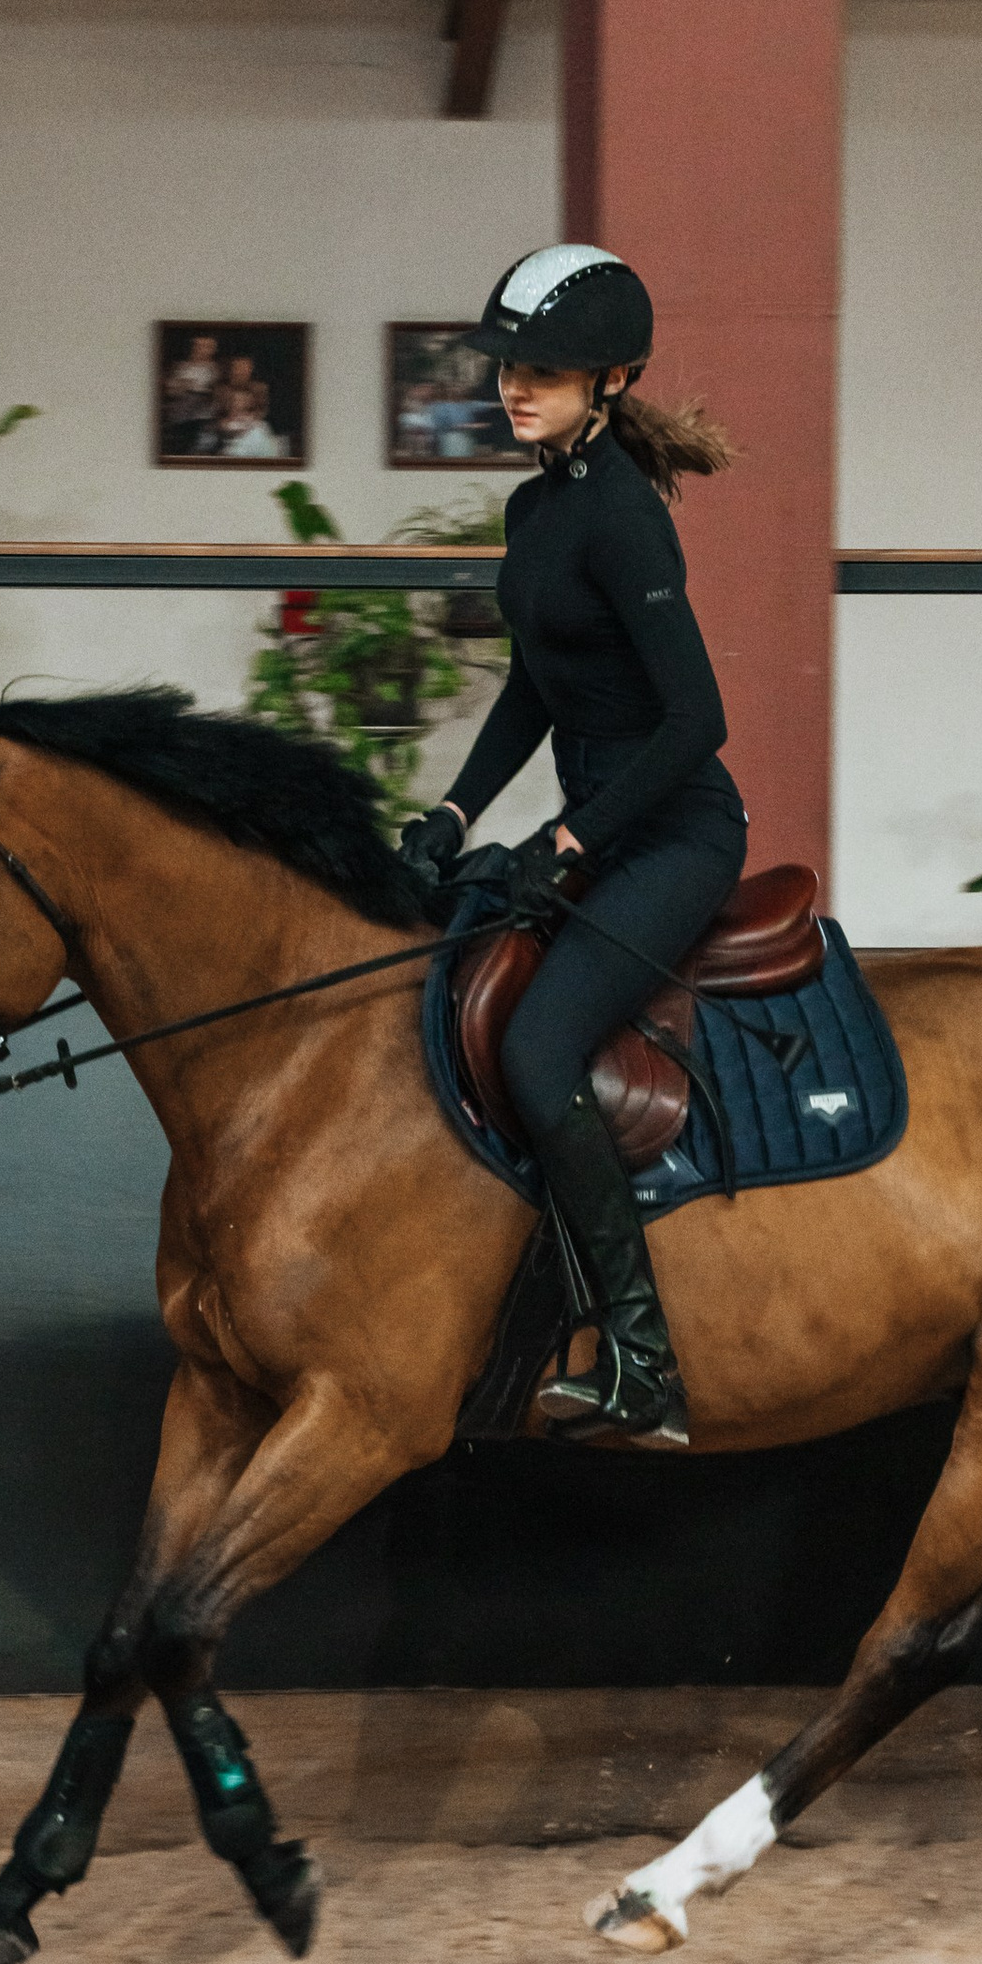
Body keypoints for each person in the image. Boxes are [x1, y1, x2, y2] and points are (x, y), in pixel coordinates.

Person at [396, 244, 741, 1439]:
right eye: (508, 367)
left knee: (541, 1050)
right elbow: (532, 692)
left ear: (613, 378)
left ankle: (643, 1360)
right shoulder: (535, 507)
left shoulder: (621, 520)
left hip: (673, 840)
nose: (515, 386)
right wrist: (453, 814)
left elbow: (699, 722)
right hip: (587, 834)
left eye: (544, 370)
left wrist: (575, 837)